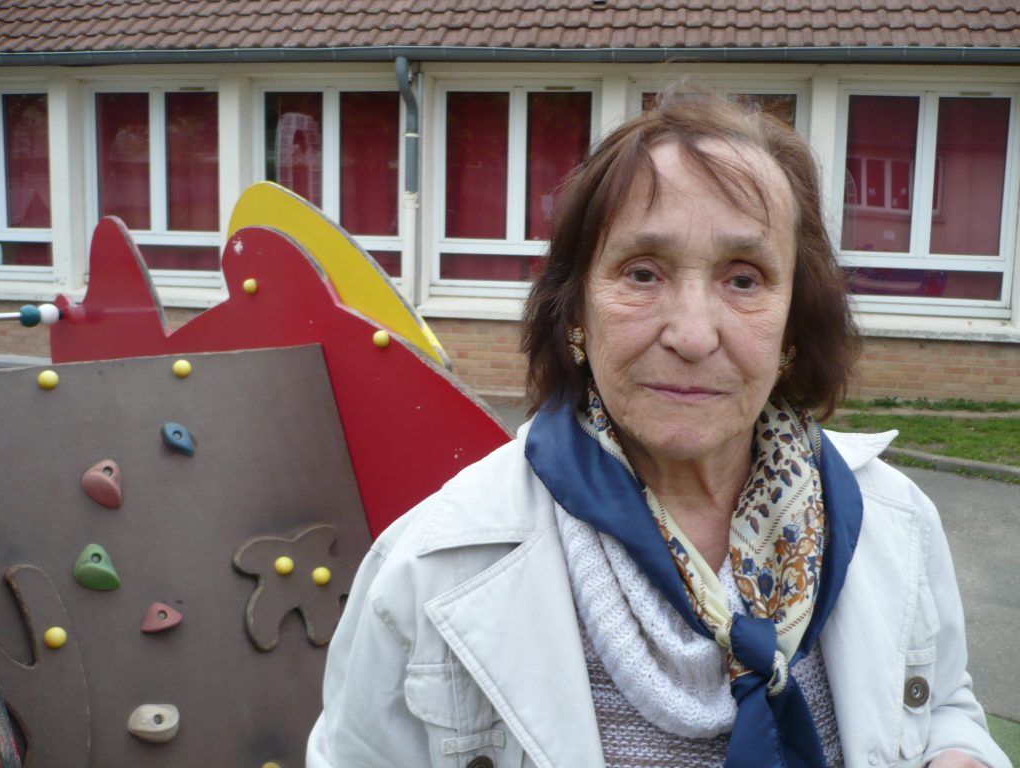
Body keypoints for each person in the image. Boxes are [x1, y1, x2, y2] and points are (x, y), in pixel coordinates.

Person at [306, 86, 1010, 768]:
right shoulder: (432, 567)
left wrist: (959, 751)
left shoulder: (893, 520)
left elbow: (943, 702)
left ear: (793, 325)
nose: (693, 335)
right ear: (576, 311)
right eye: (643, 273)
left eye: (744, 278)